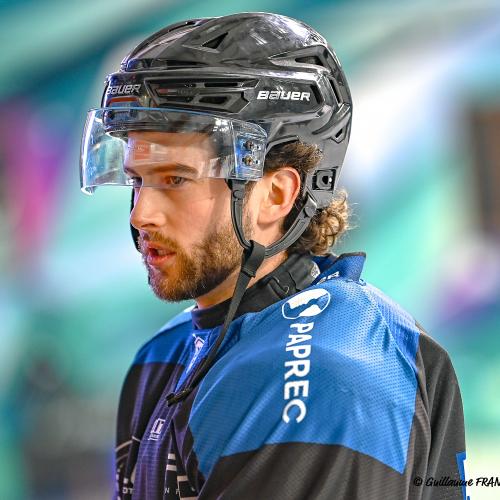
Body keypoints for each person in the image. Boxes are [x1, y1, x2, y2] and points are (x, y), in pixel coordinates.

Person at [80, 12, 467, 500]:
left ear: (277, 195)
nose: (141, 214)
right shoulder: (162, 357)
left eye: (175, 179)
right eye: (138, 180)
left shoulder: (326, 377)